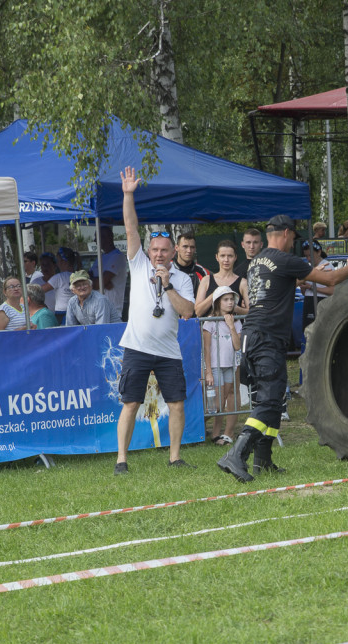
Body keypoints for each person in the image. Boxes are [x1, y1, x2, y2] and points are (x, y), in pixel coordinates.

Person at [216, 214, 348, 483]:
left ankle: (263, 460)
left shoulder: (256, 262)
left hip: (253, 335)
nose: (292, 244)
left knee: (274, 400)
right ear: (286, 233)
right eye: (293, 239)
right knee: (270, 400)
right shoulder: (286, 259)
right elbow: (329, 281)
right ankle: (236, 454)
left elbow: (280, 287)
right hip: (268, 338)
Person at [114, 167, 196, 474]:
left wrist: (169, 285)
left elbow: (187, 311)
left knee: (176, 404)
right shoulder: (137, 265)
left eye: (164, 251)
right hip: (136, 347)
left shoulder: (182, 278)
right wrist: (128, 194)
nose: (159, 255)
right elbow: (131, 228)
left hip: (168, 351)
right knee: (130, 404)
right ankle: (121, 460)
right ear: (148, 251)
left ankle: (175, 457)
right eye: (155, 250)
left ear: (173, 253)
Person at [202, 285, 243, 446]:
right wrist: (208, 371)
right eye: (226, 300)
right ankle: (195, 424)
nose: (230, 303)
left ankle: (216, 433)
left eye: (232, 299)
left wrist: (231, 326)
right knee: (216, 405)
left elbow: (237, 346)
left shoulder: (236, 322)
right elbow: (206, 348)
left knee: (224, 401)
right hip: (216, 367)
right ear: (218, 302)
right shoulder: (210, 322)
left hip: (230, 365)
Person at [194, 240, 248, 318]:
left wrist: (235, 308)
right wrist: (216, 294)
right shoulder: (206, 280)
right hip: (210, 329)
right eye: (222, 256)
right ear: (217, 257)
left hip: (234, 329)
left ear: (235, 257)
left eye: (230, 256)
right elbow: (198, 312)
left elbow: (251, 312)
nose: (226, 260)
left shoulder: (243, 283)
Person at [89, 225, 128, 319]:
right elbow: (87, 278)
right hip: (97, 310)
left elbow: (98, 284)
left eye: (97, 238)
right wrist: (102, 281)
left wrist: (100, 281)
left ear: (107, 238)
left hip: (111, 313)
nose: (95, 241)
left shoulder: (117, 256)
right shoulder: (101, 257)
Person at [298, 240, 335, 332]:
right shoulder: (307, 267)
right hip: (309, 302)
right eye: (306, 256)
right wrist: (304, 287)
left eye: (310, 255)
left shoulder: (327, 266)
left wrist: (311, 287)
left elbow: (332, 291)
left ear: (319, 252)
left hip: (321, 302)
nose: (309, 259)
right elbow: (304, 292)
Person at [41, 246, 76, 324]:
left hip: (62, 313)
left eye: (57, 260)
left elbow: (40, 290)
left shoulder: (59, 277)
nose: (56, 263)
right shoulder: (78, 275)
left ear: (63, 262)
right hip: (76, 312)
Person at [173, 232, 209, 300]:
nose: (189, 251)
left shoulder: (202, 272)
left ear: (195, 249)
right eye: (185, 247)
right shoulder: (168, 269)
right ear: (176, 248)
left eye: (192, 247)